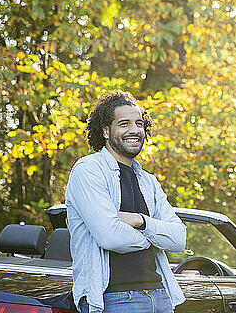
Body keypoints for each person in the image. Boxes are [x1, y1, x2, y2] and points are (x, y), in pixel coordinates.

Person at [65, 91, 186, 313]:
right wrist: (154, 237)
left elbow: (179, 239)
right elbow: (110, 237)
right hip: (115, 298)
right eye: (124, 124)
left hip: (161, 295)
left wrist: (140, 221)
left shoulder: (148, 181)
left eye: (139, 123)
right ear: (105, 131)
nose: (134, 130)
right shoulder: (88, 171)